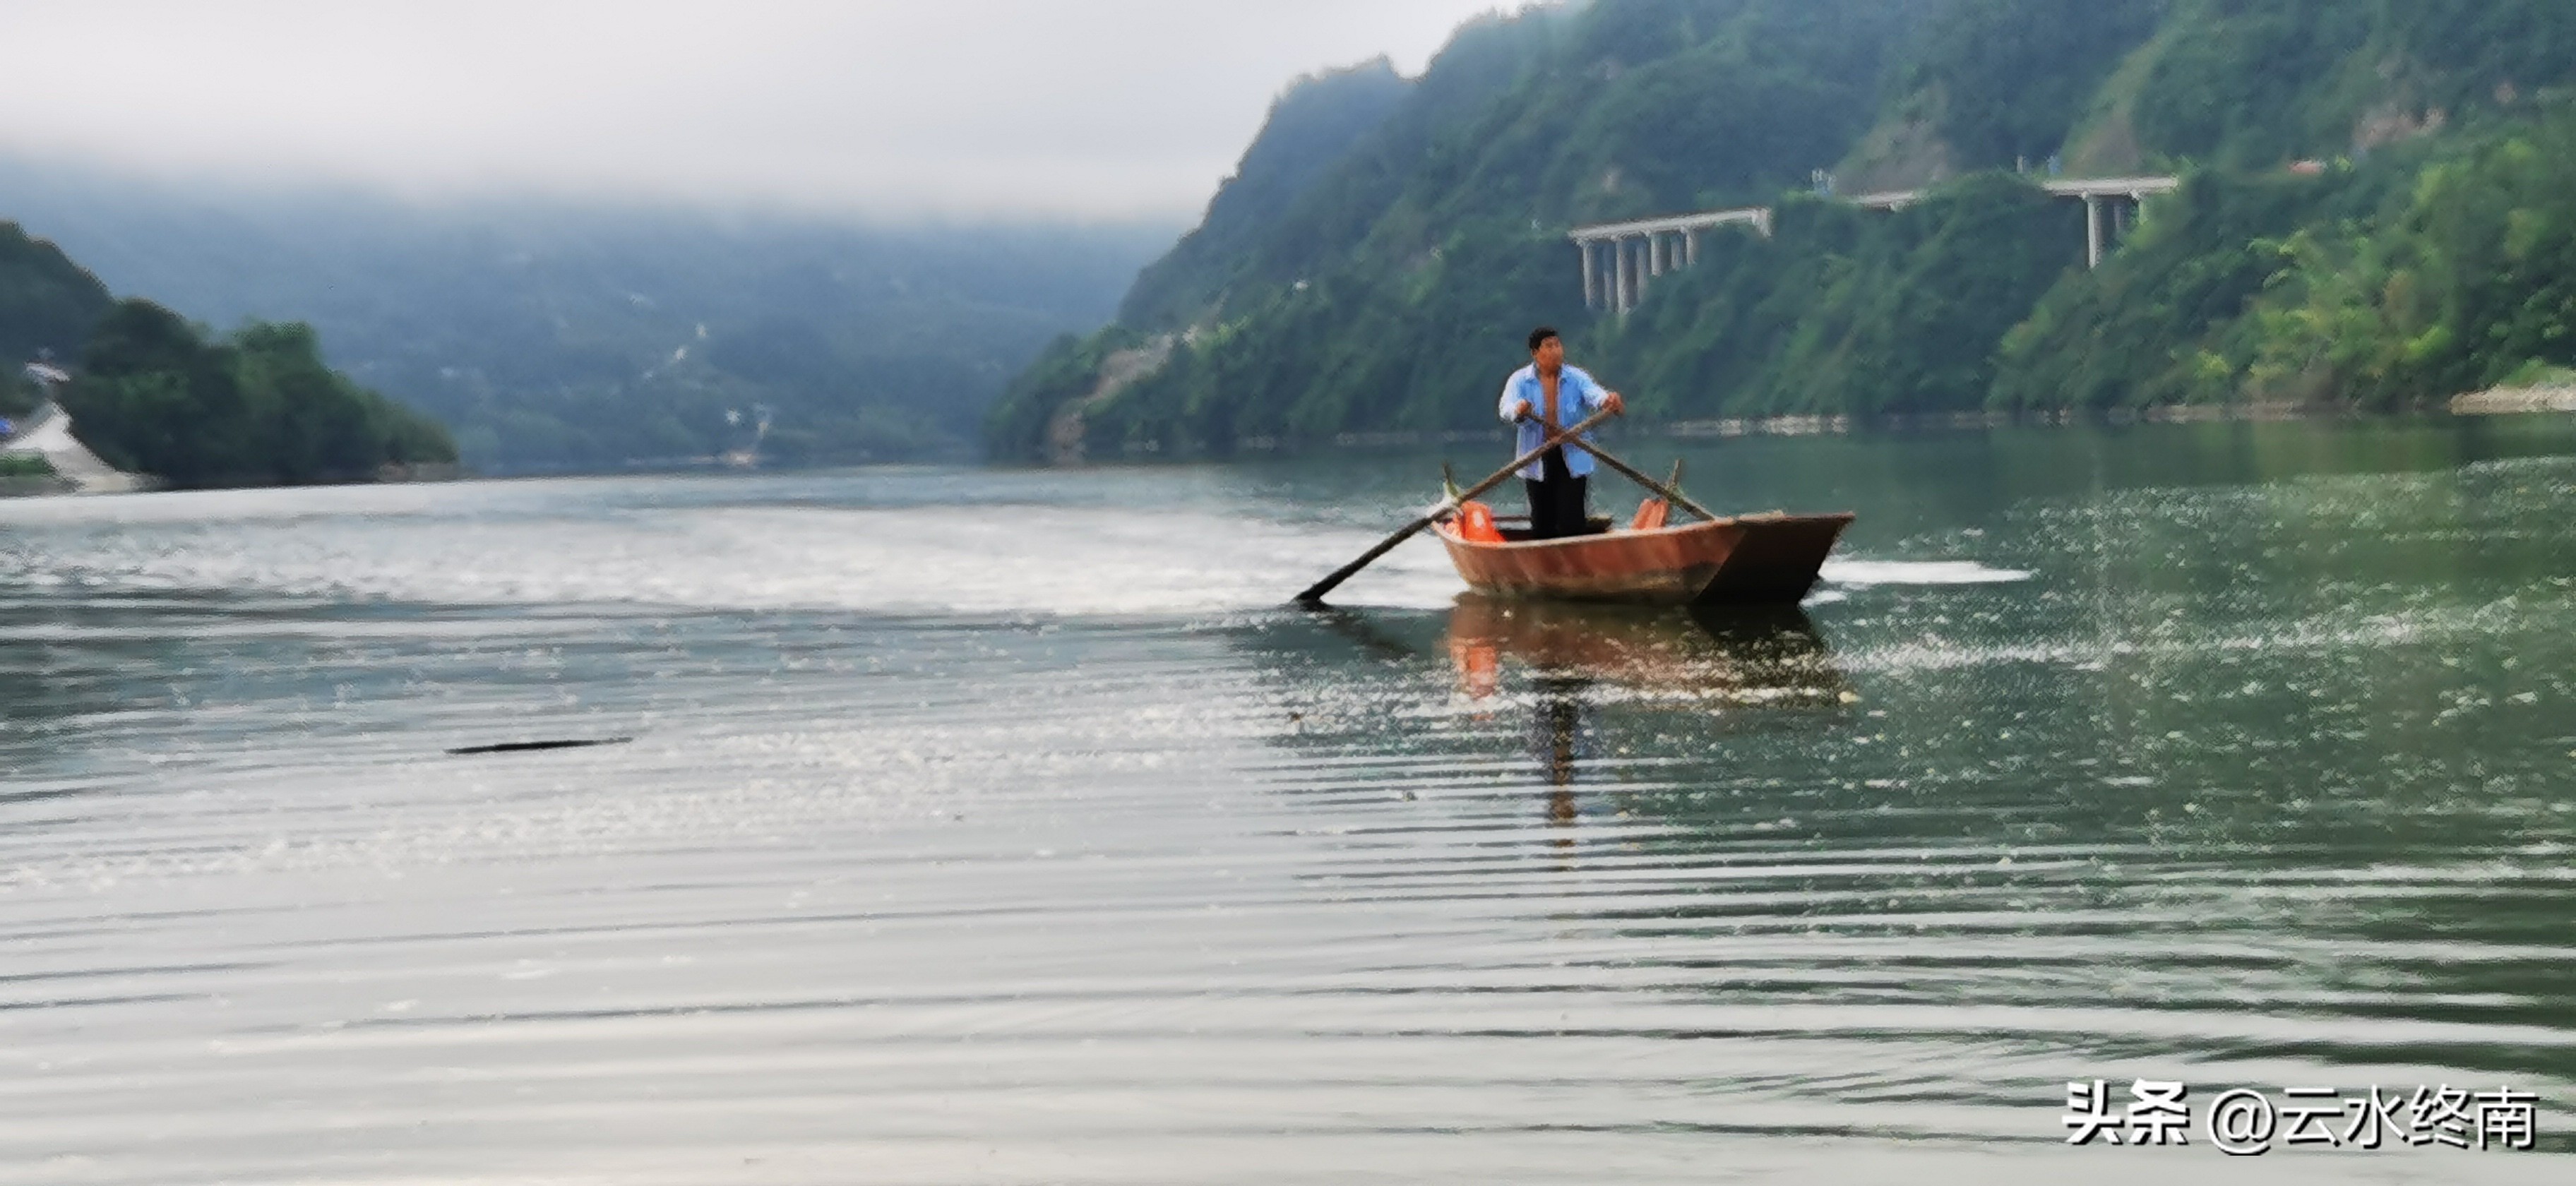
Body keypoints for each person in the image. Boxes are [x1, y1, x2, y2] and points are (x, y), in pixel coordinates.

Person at [1498, 326, 1622, 539]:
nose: (1556, 350)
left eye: (1557, 345)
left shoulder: (1576, 377)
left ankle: (1574, 565)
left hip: (1572, 455)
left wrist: (1607, 400)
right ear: (1535, 353)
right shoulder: (1520, 380)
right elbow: (1506, 408)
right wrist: (1519, 410)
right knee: (1542, 522)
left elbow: (1594, 393)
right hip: (1536, 456)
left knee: (1572, 522)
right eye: (1549, 346)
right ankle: (1546, 562)